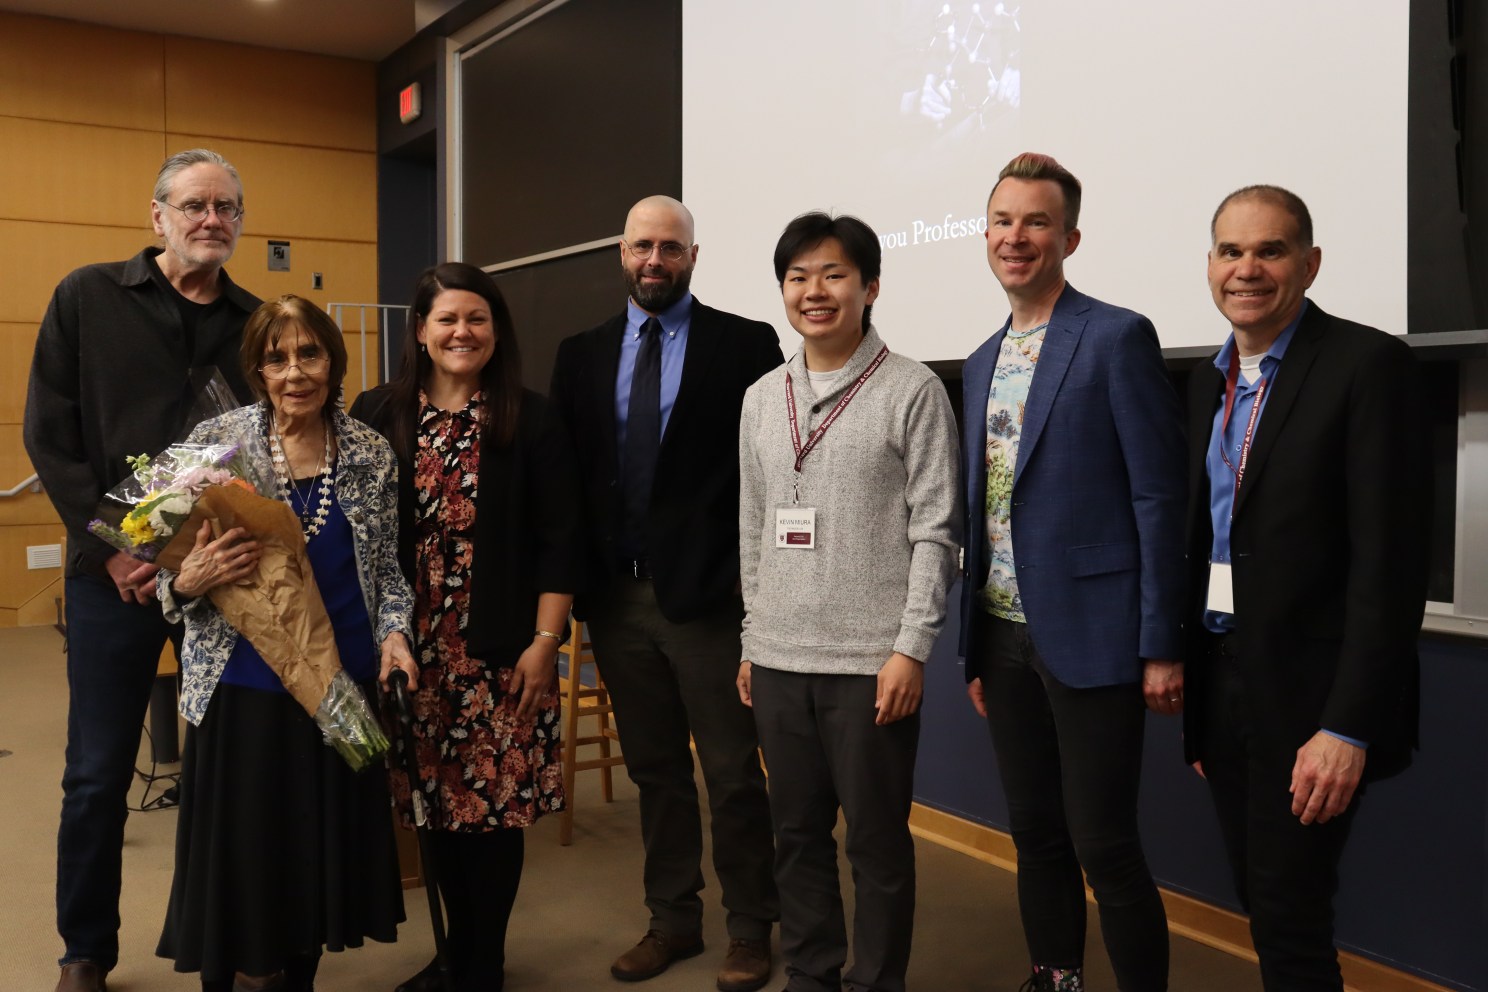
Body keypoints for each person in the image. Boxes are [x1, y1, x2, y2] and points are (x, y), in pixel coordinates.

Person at [23, 148, 261, 992]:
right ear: (157, 215)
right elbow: (50, 434)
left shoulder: (254, 323)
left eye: (227, 208)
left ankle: (234, 940)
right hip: (110, 579)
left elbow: (259, 451)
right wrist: (116, 547)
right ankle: (84, 950)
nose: (212, 220)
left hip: (220, 577)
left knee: (229, 771)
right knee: (96, 774)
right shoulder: (87, 297)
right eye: (195, 205)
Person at [1183, 186, 1430, 991]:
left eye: (1271, 250)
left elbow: (1390, 568)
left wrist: (1347, 728)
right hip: (1224, 683)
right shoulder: (1207, 382)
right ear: (1210, 264)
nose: (1247, 269)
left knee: (1290, 917)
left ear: (1310, 263)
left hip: (1312, 703)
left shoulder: (1367, 366)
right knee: (1262, 902)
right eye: (1231, 251)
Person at [959, 152, 1185, 992]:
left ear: (1070, 238)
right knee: (1035, 834)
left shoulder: (1115, 336)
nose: (1016, 237)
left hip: (1095, 636)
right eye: (1003, 221)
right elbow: (984, 509)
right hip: (1003, 636)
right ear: (986, 233)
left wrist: (1161, 642)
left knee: (1105, 845)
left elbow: (1159, 498)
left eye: (1037, 222)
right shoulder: (979, 359)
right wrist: (973, 647)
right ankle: (1056, 978)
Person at [548, 195, 782, 991]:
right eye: (642, 246)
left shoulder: (745, 344)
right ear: (622, 253)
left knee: (733, 774)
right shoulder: (579, 355)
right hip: (618, 603)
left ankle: (750, 929)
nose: (655, 260)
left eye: (670, 248)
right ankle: (673, 921)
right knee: (655, 773)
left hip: (710, 601)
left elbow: (767, 468)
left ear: (693, 256)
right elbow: (571, 481)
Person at [155, 295, 417, 992]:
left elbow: (390, 573)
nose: (295, 372)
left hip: (337, 687)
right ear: (257, 369)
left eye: (310, 354)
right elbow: (157, 558)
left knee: (310, 868)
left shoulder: (369, 452)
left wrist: (396, 634)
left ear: (334, 361)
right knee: (241, 869)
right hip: (240, 688)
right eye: (277, 358)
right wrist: (187, 579)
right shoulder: (215, 441)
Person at [736, 211, 960, 992]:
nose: (815, 290)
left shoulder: (913, 390)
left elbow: (936, 532)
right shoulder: (761, 397)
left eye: (833, 274)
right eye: (798, 277)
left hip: (870, 665)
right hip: (777, 659)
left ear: (870, 287)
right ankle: (811, 974)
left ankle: (876, 981)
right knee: (796, 835)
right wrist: (751, 639)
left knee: (875, 844)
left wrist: (910, 649)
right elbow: (753, 525)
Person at [350, 263, 579, 992]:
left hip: (500, 653)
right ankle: (452, 955)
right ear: (420, 329)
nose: (462, 332)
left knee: (491, 812)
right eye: (447, 319)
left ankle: (484, 962)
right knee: (434, 807)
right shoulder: (377, 411)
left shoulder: (531, 417)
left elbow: (561, 542)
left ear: (496, 331)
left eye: (477, 318)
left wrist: (545, 646)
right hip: (406, 650)